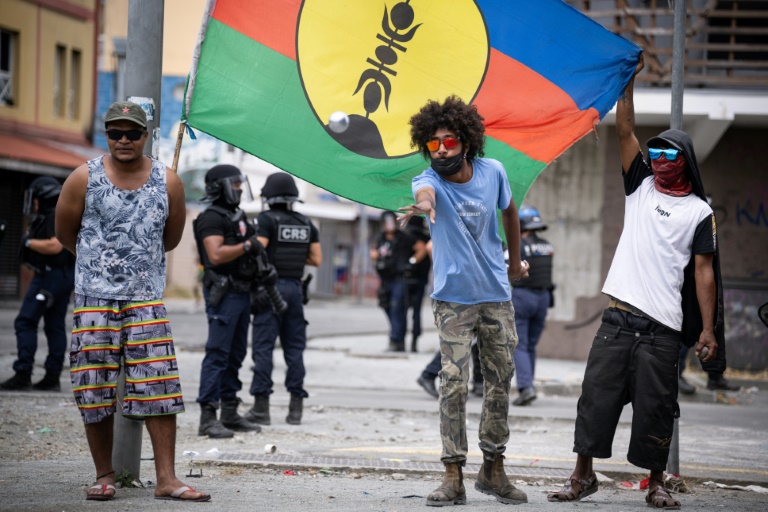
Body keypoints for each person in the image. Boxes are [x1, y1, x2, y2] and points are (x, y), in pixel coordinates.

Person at [548, 54, 724, 509]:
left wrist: (707, 329)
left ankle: (657, 483)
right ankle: (581, 476)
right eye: (657, 152)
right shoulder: (641, 187)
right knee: (595, 401)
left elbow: (704, 272)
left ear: (685, 162)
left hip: (663, 330)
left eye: (670, 154)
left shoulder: (699, 213)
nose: (661, 159)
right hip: (618, 321)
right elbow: (625, 130)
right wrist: (628, 83)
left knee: (657, 410)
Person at [55, 101, 210, 502]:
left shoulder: (168, 181)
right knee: (94, 388)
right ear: (106, 134)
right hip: (94, 301)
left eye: (132, 133)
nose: (123, 140)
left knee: (158, 387)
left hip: (146, 300)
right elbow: (65, 233)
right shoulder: (81, 178)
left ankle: (167, 480)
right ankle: (105, 474)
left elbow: (171, 239)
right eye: (115, 133)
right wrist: (98, 268)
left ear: (146, 135)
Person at [400, 95, 530, 506]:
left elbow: (510, 212)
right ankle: (452, 474)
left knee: (498, 384)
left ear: (467, 142)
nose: (441, 149)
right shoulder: (429, 181)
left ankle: (493, 470)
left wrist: (513, 261)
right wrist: (422, 207)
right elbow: (426, 197)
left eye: (449, 140)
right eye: (434, 143)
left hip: (495, 295)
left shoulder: (494, 172)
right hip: (453, 301)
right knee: (453, 385)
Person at [245, 172, 322, 426]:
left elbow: (259, 249)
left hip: (271, 289)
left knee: (264, 348)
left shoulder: (266, 220)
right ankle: (295, 408)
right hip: (296, 291)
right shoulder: (305, 222)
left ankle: (261, 407)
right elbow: (316, 259)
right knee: (294, 349)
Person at [193, 164, 262, 438]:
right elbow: (217, 255)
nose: (240, 188)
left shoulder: (238, 215)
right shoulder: (211, 217)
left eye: (239, 183)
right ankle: (208, 417)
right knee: (218, 354)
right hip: (224, 294)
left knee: (235, 355)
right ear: (219, 186)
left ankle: (230, 412)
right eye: (234, 184)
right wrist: (247, 246)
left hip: (243, 292)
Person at [1, 177, 75, 391]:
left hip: (50, 277)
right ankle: (51, 377)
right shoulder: (58, 213)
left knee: (25, 322)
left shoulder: (53, 214)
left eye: (35, 198)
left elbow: (55, 246)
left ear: (44, 197)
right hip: (61, 277)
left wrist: (28, 242)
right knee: (54, 326)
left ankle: (22, 373)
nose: (33, 203)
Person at [511, 205, 555, 406]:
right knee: (530, 346)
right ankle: (529, 385)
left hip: (522, 296)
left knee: (520, 344)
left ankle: (526, 387)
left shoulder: (518, 244)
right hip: (543, 298)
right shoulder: (547, 245)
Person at [371, 211, 426, 352]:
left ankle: (396, 340)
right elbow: (374, 252)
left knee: (397, 307)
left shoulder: (404, 237)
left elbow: (421, 248)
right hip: (385, 278)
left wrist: (411, 262)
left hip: (399, 278)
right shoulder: (380, 238)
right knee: (386, 305)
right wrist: (375, 256)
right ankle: (397, 336)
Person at [403, 215, 431, 352]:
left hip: (406, 279)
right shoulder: (427, 237)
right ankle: (414, 341)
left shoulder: (406, 235)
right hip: (421, 279)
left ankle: (400, 340)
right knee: (416, 311)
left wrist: (409, 263)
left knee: (402, 310)